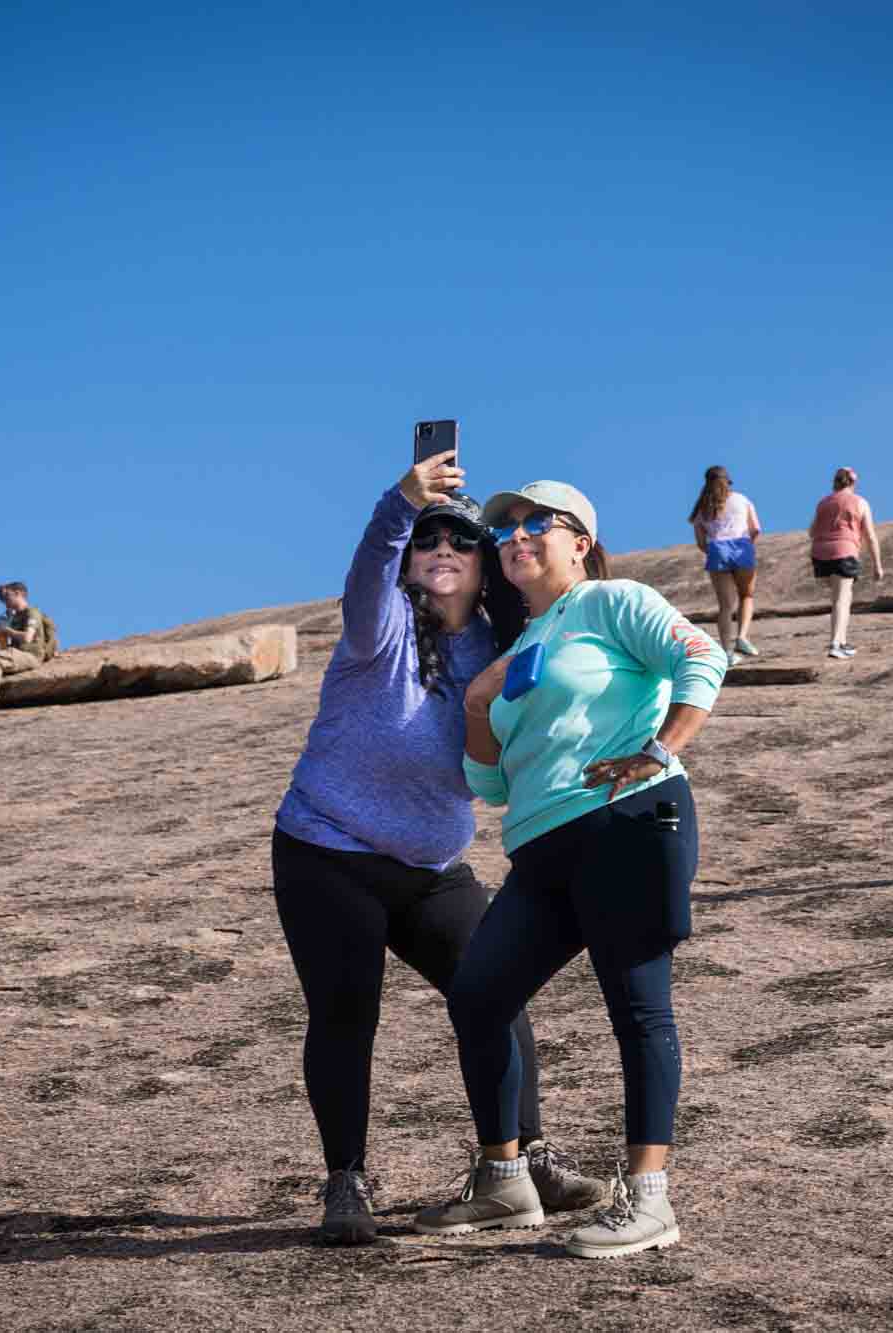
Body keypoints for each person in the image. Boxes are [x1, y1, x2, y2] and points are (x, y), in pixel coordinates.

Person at [273, 451, 604, 1247]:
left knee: (496, 987)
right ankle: (346, 1179)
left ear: (483, 562)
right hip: (328, 850)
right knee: (347, 1012)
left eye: (461, 540)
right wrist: (400, 504)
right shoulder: (378, 625)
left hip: (431, 869)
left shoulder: (499, 640)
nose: (444, 550)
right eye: (429, 542)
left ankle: (524, 1158)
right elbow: (367, 572)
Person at [414, 480, 727, 1259]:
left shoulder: (612, 600)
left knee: (638, 1006)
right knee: (480, 993)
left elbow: (702, 653)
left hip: (627, 823)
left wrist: (663, 747)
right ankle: (505, 1181)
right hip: (542, 848)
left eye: (535, 523)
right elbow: (490, 785)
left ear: (579, 540)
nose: (516, 536)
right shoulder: (520, 645)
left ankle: (650, 1200)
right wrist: (481, 708)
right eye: (506, 527)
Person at [808, 466, 885, 660]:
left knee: (841, 598)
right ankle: (835, 644)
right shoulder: (860, 502)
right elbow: (870, 535)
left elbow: (812, 531)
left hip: (820, 554)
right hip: (844, 551)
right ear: (852, 483)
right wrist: (877, 565)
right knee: (841, 599)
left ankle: (842, 641)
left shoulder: (823, 502)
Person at [688, 465, 762, 658]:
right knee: (746, 595)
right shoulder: (741, 500)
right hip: (742, 547)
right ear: (728, 481)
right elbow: (756, 529)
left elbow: (701, 542)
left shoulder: (702, 507)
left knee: (725, 606)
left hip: (717, 550)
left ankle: (727, 651)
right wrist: (748, 546)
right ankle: (742, 638)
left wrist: (713, 550)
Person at [0, 581, 56, 713]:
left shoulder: (32, 613)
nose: (5, 601)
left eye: (7, 597)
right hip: (16, 654)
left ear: (18, 594)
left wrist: (9, 631)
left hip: (30, 655)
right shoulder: (12, 618)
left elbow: (28, 637)